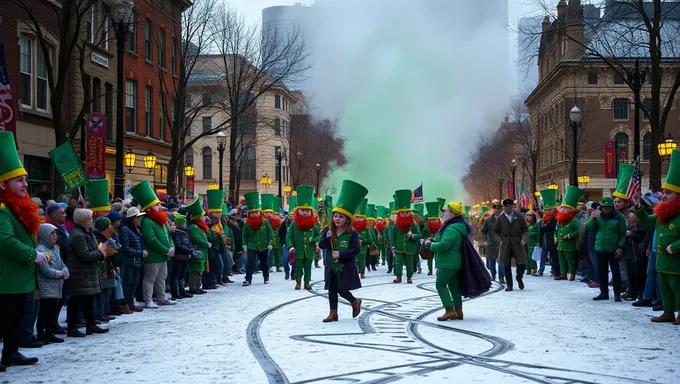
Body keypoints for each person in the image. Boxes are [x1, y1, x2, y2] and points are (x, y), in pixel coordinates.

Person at [632, 150, 680, 324]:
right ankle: (668, 312)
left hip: (676, 262)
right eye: (664, 192)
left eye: (669, 193)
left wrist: (674, 247)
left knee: (677, 289)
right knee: (665, 289)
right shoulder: (662, 215)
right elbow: (646, 220)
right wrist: (638, 206)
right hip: (662, 261)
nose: (664, 196)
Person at [318, 180, 367, 322]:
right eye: (335, 216)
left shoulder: (352, 233)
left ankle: (354, 301)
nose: (337, 219)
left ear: (347, 219)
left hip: (345, 265)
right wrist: (326, 239)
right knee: (332, 288)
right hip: (330, 264)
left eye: (341, 216)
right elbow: (321, 246)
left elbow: (356, 250)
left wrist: (341, 254)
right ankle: (333, 313)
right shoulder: (328, 230)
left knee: (340, 288)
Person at [65, 208, 110, 337]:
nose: (92, 221)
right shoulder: (78, 235)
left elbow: (95, 249)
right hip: (80, 273)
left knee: (89, 301)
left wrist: (101, 253)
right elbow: (85, 255)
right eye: (89, 219)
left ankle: (91, 325)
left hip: (88, 272)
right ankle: (72, 328)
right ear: (83, 220)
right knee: (76, 302)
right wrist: (100, 252)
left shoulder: (88, 232)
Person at [131, 181, 175, 308]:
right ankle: (148, 299)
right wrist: (166, 249)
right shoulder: (147, 222)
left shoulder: (159, 220)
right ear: (149, 208)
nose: (159, 207)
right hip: (153, 256)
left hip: (163, 255)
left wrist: (171, 246)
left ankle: (162, 297)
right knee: (150, 278)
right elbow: (151, 240)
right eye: (156, 205)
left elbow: (167, 235)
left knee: (162, 277)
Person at [424, 201, 467, 321]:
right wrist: (435, 239)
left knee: (440, 285)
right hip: (454, 261)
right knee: (454, 287)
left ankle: (450, 310)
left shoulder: (451, 229)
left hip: (447, 262)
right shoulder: (457, 226)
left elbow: (444, 246)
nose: (444, 213)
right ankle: (458, 311)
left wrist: (429, 245)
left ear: (453, 214)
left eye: (446, 211)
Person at [586, 196, 627, 302]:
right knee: (602, 272)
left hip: (613, 248)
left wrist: (620, 247)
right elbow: (590, 228)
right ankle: (604, 293)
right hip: (600, 248)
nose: (605, 209)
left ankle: (617, 294)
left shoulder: (619, 217)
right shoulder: (599, 217)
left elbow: (623, 234)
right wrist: (593, 218)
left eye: (608, 207)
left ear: (611, 207)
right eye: (604, 207)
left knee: (615, 272)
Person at [36, 223, 69, 344]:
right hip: (47, 286)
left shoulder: (55, 249)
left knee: (51, 312)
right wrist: (61, 274)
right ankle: (42, 333)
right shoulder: (41, 250)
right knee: (45, 312)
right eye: (52, 234)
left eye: (55, 234)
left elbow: (62, 264)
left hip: (56, 285)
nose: (55, 236)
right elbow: (45, 270)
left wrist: (65, 272)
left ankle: (50, 333)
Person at [287, 186, 321, 290]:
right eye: (303, 210)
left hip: (309, 250)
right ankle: (298, 282)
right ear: (298, 211)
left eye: (308, 210)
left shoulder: (314, 224)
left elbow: (317, 235)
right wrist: (291, 246)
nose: (305, 212)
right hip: (298, 250)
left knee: (308, 268)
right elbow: (288, 236)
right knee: (298, 268)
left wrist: (314, 242)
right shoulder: (294, 224)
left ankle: (307, 283)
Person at [493, 199, 528, 292]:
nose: (507, 208)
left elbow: (525, 229)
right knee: (506, 265)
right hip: (505, 243)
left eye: (509, 206)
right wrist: (499, 241)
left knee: (522, 263)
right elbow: (495, 232)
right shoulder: (500, 218)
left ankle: (519, 276)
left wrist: (523, 239)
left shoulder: (519, 216)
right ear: (503, 207)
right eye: (505, 206)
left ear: (513, 206)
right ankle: (509, 285)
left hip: (517, 242)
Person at [242, 192, 274, 286]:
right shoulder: (247, 224)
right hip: (251, 245)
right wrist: (244, 245)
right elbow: (244, 235)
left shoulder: (265, 222)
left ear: (260, 212)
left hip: (264, 245)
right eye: (252, 213)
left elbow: (271, 233)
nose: (255, 214)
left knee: (264, 262)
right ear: (249, 213)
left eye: (256, 212)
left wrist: (270, 243)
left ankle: (266, 277)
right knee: (250, 262)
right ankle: (248, 279)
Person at [389, 189, 422, 284]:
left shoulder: (413, 224)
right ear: (399, 213)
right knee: (398, 262)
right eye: (402, 212)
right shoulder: (395, 225)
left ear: (410, 213)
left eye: (406, 212)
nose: (404, 214)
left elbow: (419, 235)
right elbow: (392, 236)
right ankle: (398, 277)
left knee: (409, 263)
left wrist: (412, 235)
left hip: (410, 247)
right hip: (398, 247)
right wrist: (393, 246)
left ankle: (409, 277)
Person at [119, 207, 147, 312]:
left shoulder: (136, 229)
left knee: (134, 282)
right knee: (128, 283)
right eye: (137, 217)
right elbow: (126, 248)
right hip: (129, 261)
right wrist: (140, 252)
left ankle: (131, 303)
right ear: (132, 218)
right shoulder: (125, 229)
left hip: (136, 261)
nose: (139, 220)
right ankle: (125, 303)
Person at [555, 186, 584, 281]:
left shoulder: (574, 221)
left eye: (565, 208)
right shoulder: (560, 221)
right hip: (560, 245)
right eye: (562, 208)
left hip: (569, 245)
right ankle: (563, 273)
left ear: (571, 210)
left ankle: (572, 274)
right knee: (561, 260)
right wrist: (555, 237)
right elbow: (556, 231)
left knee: (571, 261)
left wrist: (570, 235)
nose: (562, 210)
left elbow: (579, 231)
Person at [169, 214, 193, 299]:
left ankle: (182, 291)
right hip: (179, 257)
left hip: (184, 257)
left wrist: (190, 249)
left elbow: (187, 243)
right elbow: (178, 245)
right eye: (184, 222)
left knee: (181, 275)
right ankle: (175, 292)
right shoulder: (176, 233)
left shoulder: (184, 232)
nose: (186, 224)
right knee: (176, 275)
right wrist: (188, 250)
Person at [481, 201, 503, 282]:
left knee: (502, 261)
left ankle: (501, 276)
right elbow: (483, 231)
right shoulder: (488, 220)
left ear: (501, 210)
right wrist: (485, 240)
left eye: (498, 208)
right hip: (491, 243)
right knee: (491, 262)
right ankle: (493, 274)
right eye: (495, 208)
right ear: (493, 210)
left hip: (502, 243)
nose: (497, 210)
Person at [539, 189, 559, 277]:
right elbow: (541, 229)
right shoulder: (545, 219)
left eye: (550, 209)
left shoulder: (556, 218)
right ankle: (554, 271)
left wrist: (545, 227)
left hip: (554, 241)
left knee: (555, 257)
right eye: (546, 210)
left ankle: (557, 272)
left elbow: (547, 227)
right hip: (547, 241)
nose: (547, 211)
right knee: (551, 258)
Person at [421, 201, 443, 276]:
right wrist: (426, 239)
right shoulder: (426, 228)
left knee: (438, 257)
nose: (433, 221)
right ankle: (430, 270)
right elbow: (423, 235)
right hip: (429, 244)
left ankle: (438, 269)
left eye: (434, 219)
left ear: (438, 219)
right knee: (429, 258)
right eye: (431, 220)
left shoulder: (441, 227)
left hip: (438, 244)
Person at [353, 198, 372, 279]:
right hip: (352, 249)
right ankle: (354, 272)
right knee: (353, 261)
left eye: (360, 217)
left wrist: (363, 241)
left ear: (364, 218)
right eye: (356, 217)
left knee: (361, 261)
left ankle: (362, 272)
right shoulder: (351, 227)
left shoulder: (366, 229)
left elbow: (370, 240)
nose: (358, 219)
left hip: (362, 249)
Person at [525, 211, 540, 276]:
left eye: (531, 215)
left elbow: (539, 233)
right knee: (526, 257)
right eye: (528, 215)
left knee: (532, 256)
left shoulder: (536, 224)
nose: (529, 216)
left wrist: (538, 242)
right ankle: (528, 269)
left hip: (533, 243)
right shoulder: (525, 224)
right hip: (525, 243)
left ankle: (534, 269)